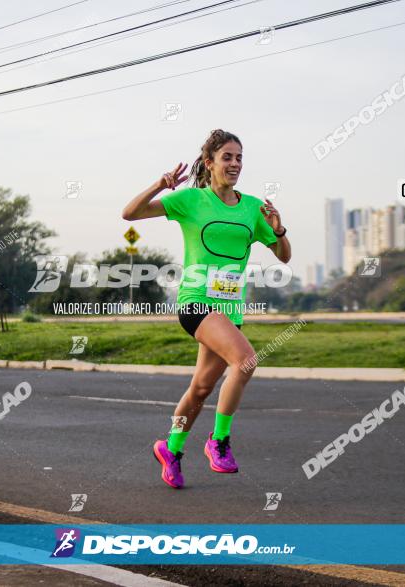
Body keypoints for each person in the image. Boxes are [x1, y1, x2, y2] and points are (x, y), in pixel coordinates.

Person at [121, 129, 291, 489]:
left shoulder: (252, 208)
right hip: (196, 302)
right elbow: (130, 213)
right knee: (245, 360)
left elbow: (283, 254)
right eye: (227, 157)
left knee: (200, 389)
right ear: (210, 163)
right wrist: (160, 184)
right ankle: (219, 441)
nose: (234, 164)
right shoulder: (191, 201)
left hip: (229, 311)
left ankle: (171, 448)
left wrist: (279, 229)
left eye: (239, 157)